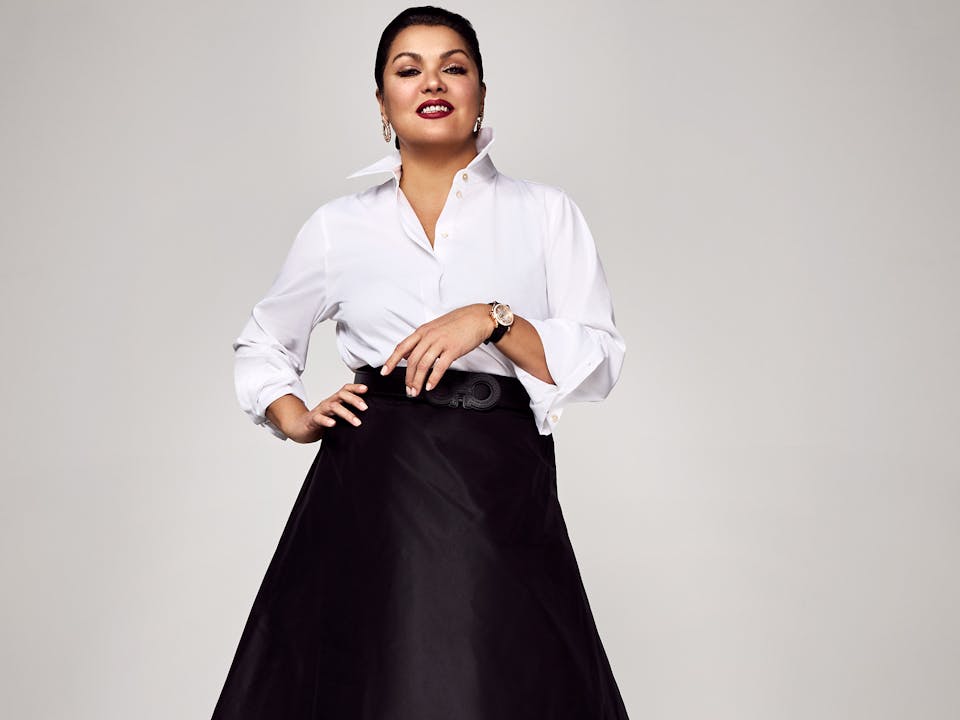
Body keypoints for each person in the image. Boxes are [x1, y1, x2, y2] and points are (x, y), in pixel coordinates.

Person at [211, 6, 630, 719]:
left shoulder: (545, 213)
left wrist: (492, 320)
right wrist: (295, 416)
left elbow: (599, 358)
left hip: (497, 480)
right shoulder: (339, 228)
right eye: (408, 70)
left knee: (497, 682)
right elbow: (263, 342)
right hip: (372, 485)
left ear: (481, 95)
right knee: (371, 684)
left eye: (454, 67)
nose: (432, 81)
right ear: (383, 103)